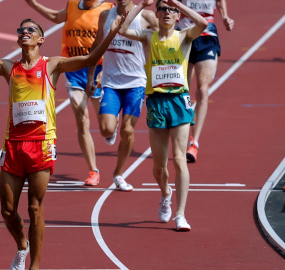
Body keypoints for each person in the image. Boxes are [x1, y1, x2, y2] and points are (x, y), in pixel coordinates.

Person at [0, 4, 125, 268]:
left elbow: (90, 60)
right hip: (13, 145)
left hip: (42, 144)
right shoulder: (7, 67)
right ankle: (22, 244)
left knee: (35, 208)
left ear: (40, 39)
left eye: (30, 29)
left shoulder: (52, 65)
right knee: (8, 211)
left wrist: (110, 34)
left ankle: (34, 265)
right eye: (21, 30)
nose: (24, 32)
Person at [118, 0, 207, 230]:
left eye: (171, 11)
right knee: (159, 168)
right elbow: (123, 29)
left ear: (178, 16)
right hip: (157, 102)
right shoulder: (149, 37)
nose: (167, 13)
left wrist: (176, 2)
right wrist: (141, 5)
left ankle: (180, 214)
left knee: (179, 159)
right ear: (156, 14)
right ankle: (165, 191)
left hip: (179, 101)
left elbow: (203, 22)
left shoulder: (185, 36)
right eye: (163, 9)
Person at [24, 0, 115, 186]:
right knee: (82, 120)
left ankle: (109, 128)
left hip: (99, 69)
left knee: (107, 127)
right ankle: (93, 170)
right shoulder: (73, 5)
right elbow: (55, 17)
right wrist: (32, 4)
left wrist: (109, 67)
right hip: (74, 68)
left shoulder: (108, 9)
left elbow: (117, 39)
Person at [87, 0, 158, 191]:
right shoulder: (105, 15)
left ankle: (118, 174)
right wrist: (91, 76)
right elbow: (96, 45)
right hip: (111, 82)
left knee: (128, 131)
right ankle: (113, 122)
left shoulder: (146, 17)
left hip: (136, 83)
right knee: (106, 130)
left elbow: (164, 39)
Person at [176, 0, 234, 163]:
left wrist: (225, 17)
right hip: (184, 37)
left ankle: (194, 142)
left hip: (207, 38)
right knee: (182, 91)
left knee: (203, 89)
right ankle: (183, 134)